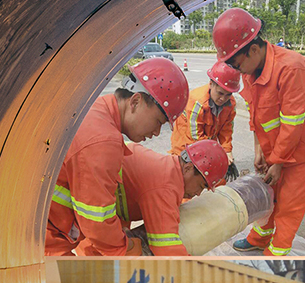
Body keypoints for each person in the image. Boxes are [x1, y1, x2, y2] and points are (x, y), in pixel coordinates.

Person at [46, 58, 189, 256]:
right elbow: (97, 220)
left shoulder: (98, 110)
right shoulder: (102, 140)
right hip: (42, 237)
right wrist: (125, 249)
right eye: (158, 121)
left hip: (45, 228)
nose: (157, 132)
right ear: (136, 101)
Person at [213, 8, 305, 256]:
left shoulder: (291, 68)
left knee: (288, 208)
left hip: (301, 153)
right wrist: (260, 151)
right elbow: (257, 116)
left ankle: (276, 253)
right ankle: (260, 238)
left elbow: (293, 124)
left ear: (253, 49)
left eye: (237, 63)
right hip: (276, 151)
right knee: (268, 198)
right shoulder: (253, 71)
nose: (237, 71)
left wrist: (279, 162)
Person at [79, 140, 228, 256]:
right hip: (86, 192)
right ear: (188, 168)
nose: (198, 193)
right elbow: (166, 248)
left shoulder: (169, 169)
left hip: (112, 194)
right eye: (201, 185)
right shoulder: (164, 186)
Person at [169, 61, 241, 182]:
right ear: (211, 84)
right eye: (220, 93)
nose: (223, 98)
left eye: (228, 95)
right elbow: (195, 138)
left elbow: (226, 130)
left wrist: (227, 152)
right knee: (187, 183)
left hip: (207, 145)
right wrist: (215, 156)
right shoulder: (196, 103)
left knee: (214, 184)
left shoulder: (230, 104)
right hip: (185, 146)